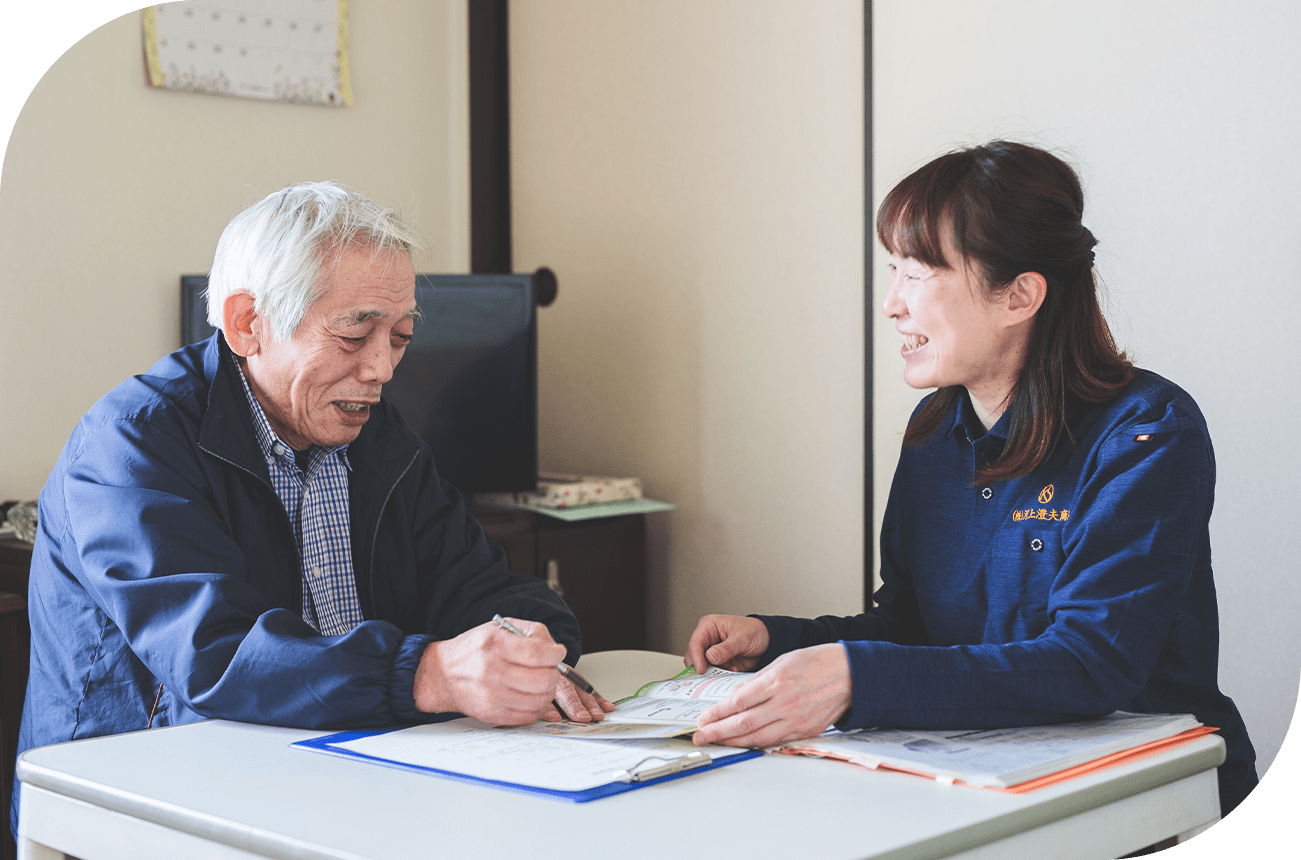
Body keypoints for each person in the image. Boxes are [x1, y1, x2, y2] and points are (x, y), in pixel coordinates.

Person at [12, 182, 612, 830]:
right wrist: (428, 674)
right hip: (139, 797)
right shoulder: (130, 443)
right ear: (248, 324)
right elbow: (215, 655)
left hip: (338, 774)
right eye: (355, 335)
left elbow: (482, 588)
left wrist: (529, 647)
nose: (381, 368)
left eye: (400, 337)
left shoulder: (382, 441)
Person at [685, 140, 1257, 818]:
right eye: (891, 270)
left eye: (918, 273)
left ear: (1018, 295)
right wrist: (779, 640)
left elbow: (1089, 664)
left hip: (1147, 800)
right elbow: (911, 624)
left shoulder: (1147, 431)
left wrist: (853, 678)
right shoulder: (935, 427)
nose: (892, 304)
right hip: (988, 791)